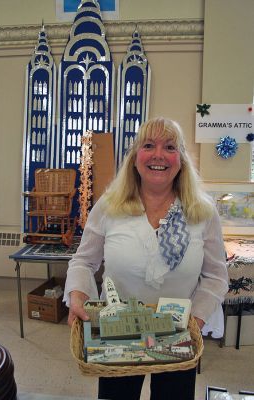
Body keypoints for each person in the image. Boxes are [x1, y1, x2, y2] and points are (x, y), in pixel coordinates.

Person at [63, 117, 228, 400]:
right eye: (149, 145)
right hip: (117, 333)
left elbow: (216, 275)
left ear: (181, 159)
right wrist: (78, 297)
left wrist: (194, 322)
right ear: (135, 158)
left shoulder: (202, 211)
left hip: (178, 335)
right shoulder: (109, 205)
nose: (159, 155)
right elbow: (83, 261)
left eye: (170, 147)